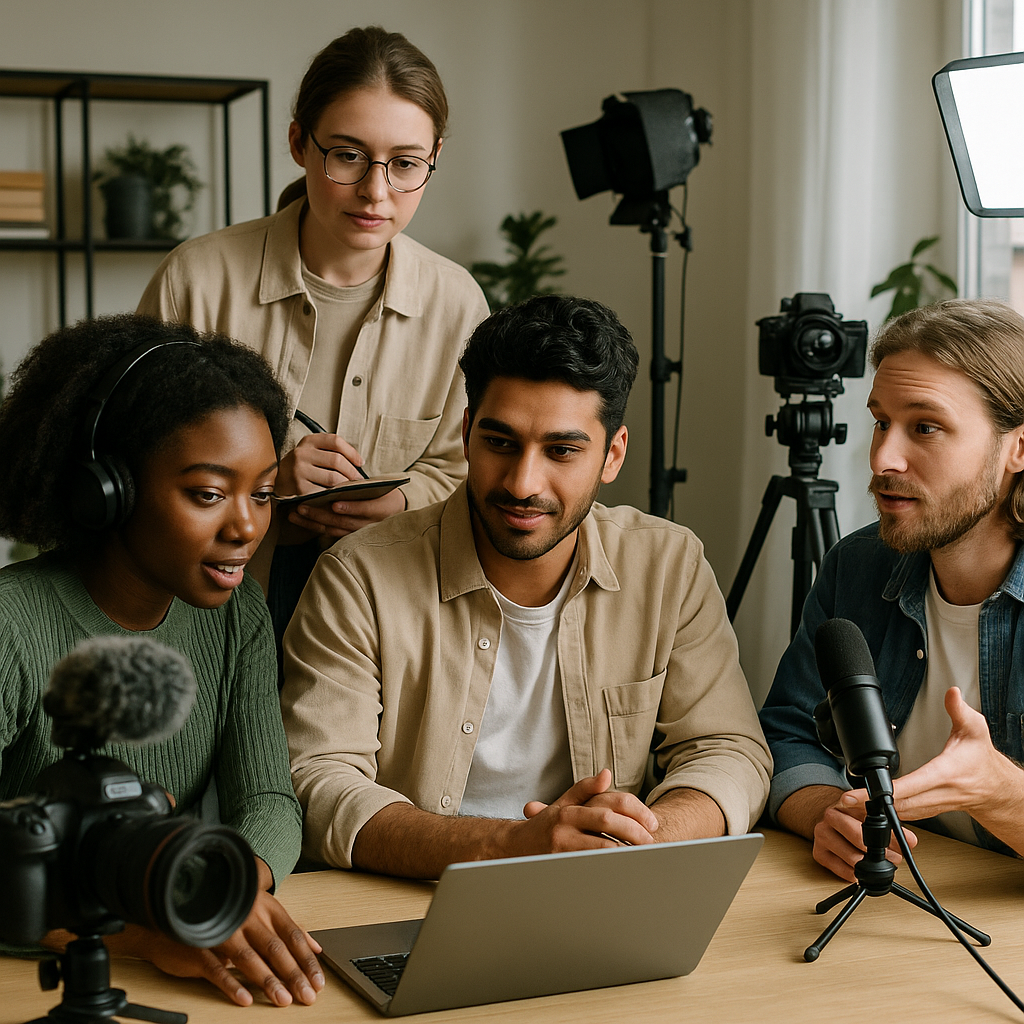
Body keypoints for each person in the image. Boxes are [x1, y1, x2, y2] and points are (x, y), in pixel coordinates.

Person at [280, 294, 772, 879]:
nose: (522, 483)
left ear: (612, 455)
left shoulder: (670, 566)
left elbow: (729, 751)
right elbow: (316, 780)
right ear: (467, 433)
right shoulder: (358, 576)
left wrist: (631, 842)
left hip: (600, 889)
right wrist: (509, 846)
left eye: (561, 451)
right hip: (411, 896)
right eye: (500, 442)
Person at [0, 314, 324, 1007]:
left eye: (263, 493)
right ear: (109, 489)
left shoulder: (239, 616)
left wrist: (226, 894)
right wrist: (142, 933)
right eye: (208, 494)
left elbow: (268, 801)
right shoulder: (10, 625)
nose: (246, 526)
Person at [137, 26, 489, 645]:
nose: (376, 191)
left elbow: (467, 469)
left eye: (406, 164)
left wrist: (401, 502)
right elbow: (136, 456)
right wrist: (265, 485)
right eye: (348, 155)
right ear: (300, 142)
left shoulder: (457, 304)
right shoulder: (197, 279)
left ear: (432, 159)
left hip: (384, 617)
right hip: (206, 615)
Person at [760, 298, 1024, 883]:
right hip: (899, 898)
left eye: (925, 427)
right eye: (881, 422)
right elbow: (787, 731)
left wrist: (1000, 793)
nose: (883, 458)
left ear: (1019, 448)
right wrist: (826, 813)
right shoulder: (857, 566)